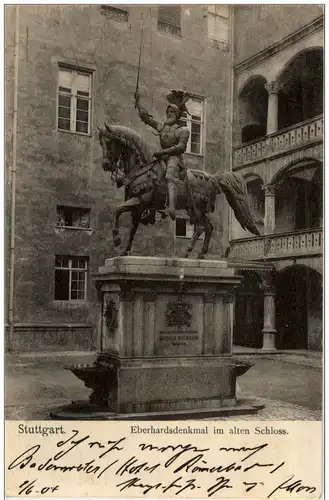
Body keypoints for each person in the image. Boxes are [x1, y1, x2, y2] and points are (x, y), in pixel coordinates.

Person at [135, 89, 190, 220]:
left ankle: (171, 207)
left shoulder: (182, 130)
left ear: (177, 114)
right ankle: (151, 209)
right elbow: (147, 119)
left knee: (170, 176)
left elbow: (181, 147)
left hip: (174, 159)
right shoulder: (162, 127)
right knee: (150, 175)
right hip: (162, 158)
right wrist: (138, 103)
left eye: (172, 112)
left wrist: (164, 152)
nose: (169, 114)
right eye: (168, 112)